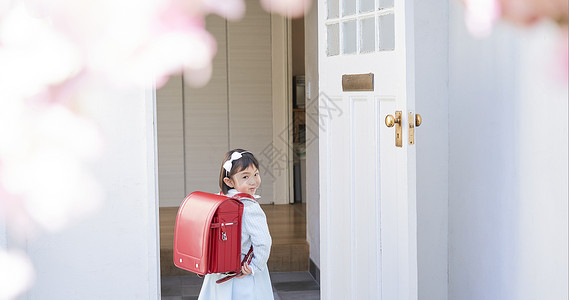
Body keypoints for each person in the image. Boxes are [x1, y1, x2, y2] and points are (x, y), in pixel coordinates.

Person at [198, 149, 274, 300]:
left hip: (220, 266)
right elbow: (263, 241)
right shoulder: (250, 206)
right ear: (229, 181)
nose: (253, 181)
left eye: (256, 174)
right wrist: (255, 266)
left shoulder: (218, 200)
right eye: (245, 176)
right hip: (243, 270)